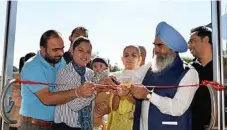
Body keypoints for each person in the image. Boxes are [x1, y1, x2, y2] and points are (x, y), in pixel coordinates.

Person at [129, 21, 199, 130]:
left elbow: (178, 108)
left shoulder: (189, 73)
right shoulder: (151, 67)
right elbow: (130, 75)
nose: (156, 50)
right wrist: (112, 78)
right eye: (155, 45)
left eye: (160, 45)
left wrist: (148, 95)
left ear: (173, 49)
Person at [19, 30, 85, 130]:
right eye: (55, 50)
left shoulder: (59, 60)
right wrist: (78, 92)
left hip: (55, 124)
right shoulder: (32, 66)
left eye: (62, 48)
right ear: (43, 49)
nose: (60, 53)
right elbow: (47, 99)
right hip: (33, 126)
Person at [54, 36, 95, 130]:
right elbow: (74, 105)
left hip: (85, 126)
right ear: (72, 51)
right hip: (65, 126)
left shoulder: (91, 73)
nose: (85, 54)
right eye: (81, 50)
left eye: (88, 52)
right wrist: (95, 90)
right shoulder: (64, 72)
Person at [107, 45, 141, 130]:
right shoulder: (115, 78)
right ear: (122, 59)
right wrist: (116, 94)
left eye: (134, 55)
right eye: (126, 55)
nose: (129, 58)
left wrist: (127, 95)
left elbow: (142, 105)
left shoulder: (143, 79)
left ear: (139, 59)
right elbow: (114, 108)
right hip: (116, 124)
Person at [188, 26, 212, 130]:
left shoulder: (222, 67)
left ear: (206, 40)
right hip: (192, 125)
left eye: (193, 41)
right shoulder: (189, 69)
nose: (189, 46)